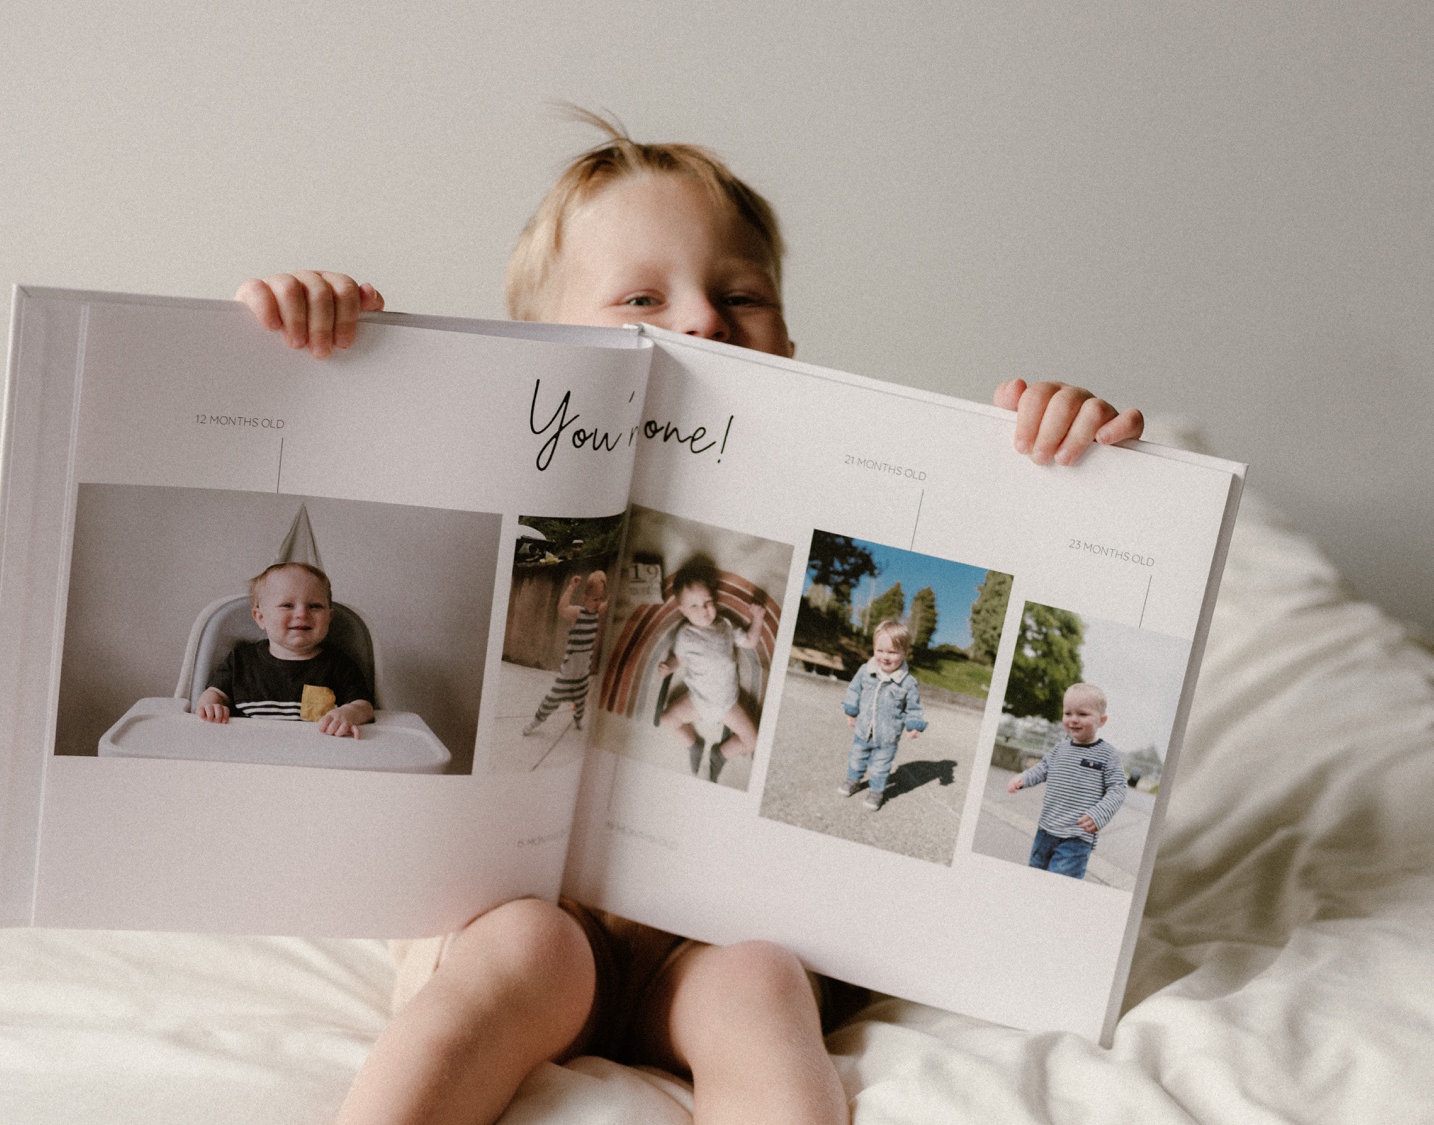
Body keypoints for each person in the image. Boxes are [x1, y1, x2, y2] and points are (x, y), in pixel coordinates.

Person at [239, 115, 1146, 1125]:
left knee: (757, 980)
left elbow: (1021, 540)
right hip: (534, 910)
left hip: (723, 937)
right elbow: (330, 437)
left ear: (789, 347)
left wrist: (1069, 464)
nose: (705, 319)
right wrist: (310, 338)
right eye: (643, 297)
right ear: (543, 350)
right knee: (522, 949)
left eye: (741, 295)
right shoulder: (479, 452)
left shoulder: (845, 480)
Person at [195, 561, 374, 739]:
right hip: (248, 748)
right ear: (261, 618)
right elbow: (214, 694)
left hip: (315, 751)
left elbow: (364, 706)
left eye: (315, 606)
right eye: (287, 605)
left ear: (329, 617)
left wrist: (348, 714)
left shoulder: (338, 664)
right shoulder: (241, 660)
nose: (302, 614)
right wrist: (210, 707)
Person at [656, 560, 765, 781]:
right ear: (683, 610)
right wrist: (669, 666)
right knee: (666, 720)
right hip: (697, 700)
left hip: (727, 703)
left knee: (753, 741)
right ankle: (693, 744)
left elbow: (750, 641)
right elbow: (678, 658)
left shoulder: (725, 625)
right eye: (694, 606)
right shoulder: (686, 634)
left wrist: (758, 618)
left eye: (708, 602)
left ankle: (720, 754)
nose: (704, 610)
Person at [1006, 682, 1127, 879]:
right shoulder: (1060, 748)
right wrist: (1024, 777)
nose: (1074, 719)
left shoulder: (1107, 754)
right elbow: (1043, 768)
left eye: (1082, 714)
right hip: (1045, 829)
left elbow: (1118, 788)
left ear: (1102, 720)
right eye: (1068, 713)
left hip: (1076, 837)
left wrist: (1099, 814)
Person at [838, 618, 926, 811]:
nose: (885, 657)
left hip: (887, 737)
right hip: (863, 730)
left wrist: (913, 725)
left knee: (880, 766)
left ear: (905, 653)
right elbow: (854, 691)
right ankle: (853, 780)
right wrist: (851, 711)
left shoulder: (907, 683)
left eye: (892, 652)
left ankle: (876, 791)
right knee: (856, 758)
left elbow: (913, 707)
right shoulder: (866, 671)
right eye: (880, 651)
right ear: (874, 649)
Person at [524, 570, 608, 734]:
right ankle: (535, 721)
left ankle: (578, 719)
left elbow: (607, 605)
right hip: (568, 672)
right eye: (594, 599)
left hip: (583, 672)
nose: (598, 603)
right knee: (552, 698)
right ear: (584, 598)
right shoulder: (578, 613)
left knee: (581, 700)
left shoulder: (597, 613)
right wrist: (571, 588)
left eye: (600, 599)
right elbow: (562, 609)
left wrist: (611, 597)